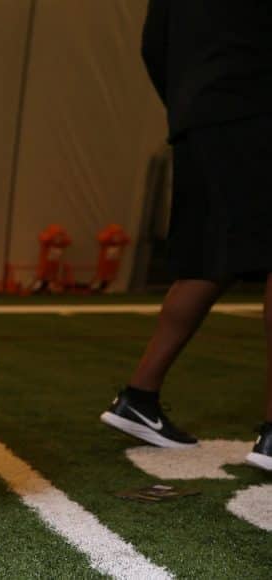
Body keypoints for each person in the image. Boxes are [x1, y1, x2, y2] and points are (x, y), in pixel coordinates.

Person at [100, 0, 272, 471]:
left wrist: (190, 102)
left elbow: (153, 45)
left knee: (206, 260)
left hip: (198, 119)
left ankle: (139, 396)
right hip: (258, 110)